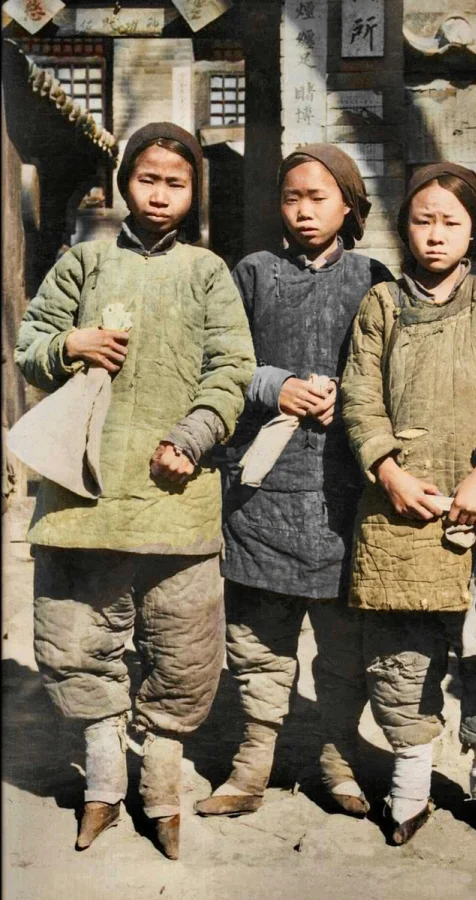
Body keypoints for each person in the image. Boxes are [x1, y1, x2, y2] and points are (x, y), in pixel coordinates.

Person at [14, 122, 255, 860]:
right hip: (83, 493)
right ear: (124, 185)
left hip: (176, 495)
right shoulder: (83, 263)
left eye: (175, 183)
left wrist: (193, 436)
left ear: (193, 193)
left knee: (183, 647)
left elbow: (232, 368)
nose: (159, 194)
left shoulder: (207, 272)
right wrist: (71, 345)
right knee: (74, 637)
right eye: (147, 179)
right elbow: (29, 345)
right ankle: (103, 784)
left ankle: (161, 789)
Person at [340, 162, 476, 846]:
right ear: (404, 227)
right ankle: (410, 776)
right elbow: (359, 398)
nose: (435, 235)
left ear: (474, 232)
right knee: (400, 653)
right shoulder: (380, 305)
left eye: (450, 222)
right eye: (422, 220)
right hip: (401, 508)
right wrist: (387, 472)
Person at [195, 144, 393, 819]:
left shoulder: (373, 277)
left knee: (342, 642)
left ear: (349, 205)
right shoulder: (252, 273)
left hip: (344, 490)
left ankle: (337, 757)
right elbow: (220, 360)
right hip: (262, 489)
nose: (303, 211)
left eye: (318, 197)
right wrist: (273, 385)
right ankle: (252, 763)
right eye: (291, 198)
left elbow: (391, 368)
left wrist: (352, 398)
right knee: (258, 638)